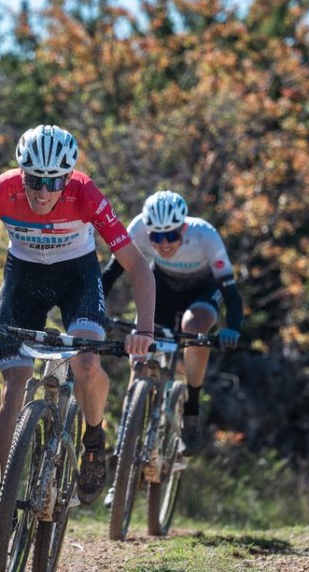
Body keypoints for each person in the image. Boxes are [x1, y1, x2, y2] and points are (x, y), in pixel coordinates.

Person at [0, 124, 157, 557]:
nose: (42, 191)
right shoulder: (1, 190)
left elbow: (138, 267)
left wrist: (144, 330)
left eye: (53, 182)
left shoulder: (86, 194)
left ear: (68, 177)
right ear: (21, 173)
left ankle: (94, 438)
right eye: (34, 180)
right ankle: (6, 510)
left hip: (77, 277)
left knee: (86, 363)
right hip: (23, 279)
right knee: (13, 385)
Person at [101, 189, 244, 459]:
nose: (164, 244)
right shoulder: (138, 229)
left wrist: (233, 328)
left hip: (202, 290)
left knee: (195, 328)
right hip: (163, 288)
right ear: (148, 230)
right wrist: (95, 311)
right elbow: (110, 274)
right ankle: (125, 445)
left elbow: (231, 293)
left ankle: (191, 409)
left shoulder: (206, 236)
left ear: (184, 227)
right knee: (139, 358)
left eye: (172, 235)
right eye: (157, 236)